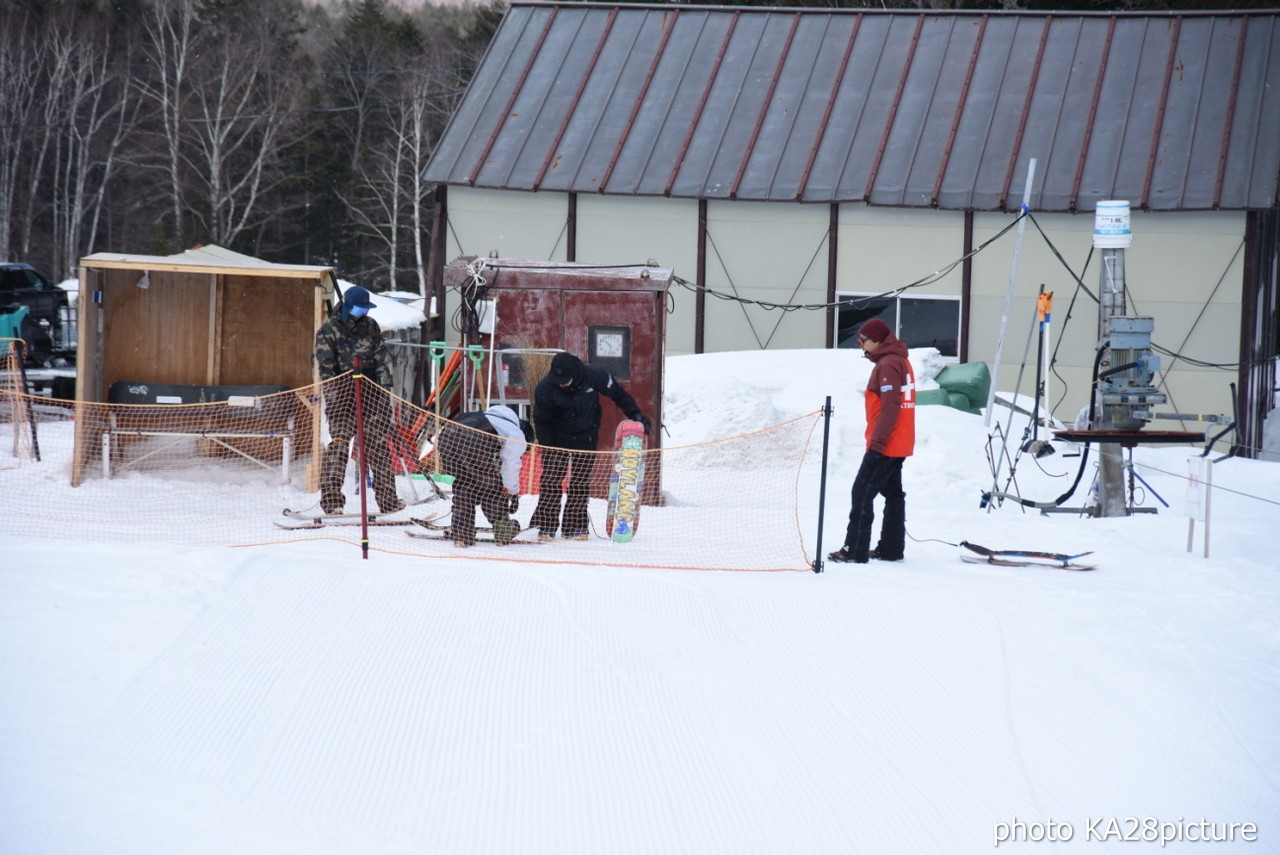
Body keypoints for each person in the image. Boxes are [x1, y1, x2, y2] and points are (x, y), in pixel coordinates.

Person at [529, 351, 651, 541]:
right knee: (551, 482)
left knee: (579, 483)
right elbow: (541, 420)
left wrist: (636, 415)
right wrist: (549, 448)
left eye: (565, 380)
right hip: (556, 440)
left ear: (575, 373)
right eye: (557, 380)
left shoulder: (594, 375)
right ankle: (546, 527)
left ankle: (575, 528)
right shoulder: (545, 387)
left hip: (586, 437)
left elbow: (618, 395)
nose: (561, 384)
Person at [829, 317, 916, 564]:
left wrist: (877, 446)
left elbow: (890, 408)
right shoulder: (900, 360)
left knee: (862, 492)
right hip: (901, 441)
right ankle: (891, 548)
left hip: (887, 443)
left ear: (877, 340)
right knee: (893, 493)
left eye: (863, 340)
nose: (860, 344)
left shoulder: (888, 365)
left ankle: (854, 550)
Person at [314, 285, 404, 515]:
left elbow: (381, 360)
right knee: (339, 446)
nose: (363, 312)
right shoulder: (329, 330)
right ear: (348, 306)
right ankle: (332, 502)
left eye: (366, 309)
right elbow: (326, 371)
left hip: (371, 394)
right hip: (342, 396)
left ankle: (388, 501)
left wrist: (384, 393)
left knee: (378, 447)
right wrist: (335, 401)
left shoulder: (370, 326)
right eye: (359, 308)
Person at [435, 405, 533, 547]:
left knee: (464, 485)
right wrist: (512, 490)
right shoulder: (516, 434)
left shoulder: (488, 418)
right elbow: (511, 465)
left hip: (447, 439)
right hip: (473, 442)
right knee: (491, 488)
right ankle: (503, 531)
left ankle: (461, 536)